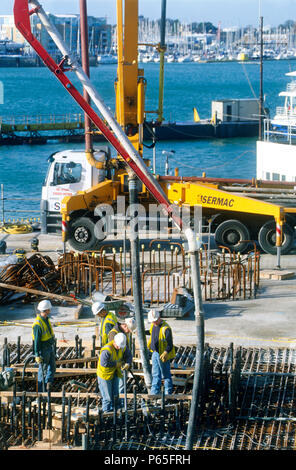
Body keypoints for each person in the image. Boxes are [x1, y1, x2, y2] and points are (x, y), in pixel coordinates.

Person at [97, 332, 132, 412]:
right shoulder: (107, 350)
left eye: (120, 346)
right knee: (107, 397)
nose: (119, 348)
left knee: (115, 395)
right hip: (104, 375)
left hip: (114, 373)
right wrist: (116, 364)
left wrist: (128, 363)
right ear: (114, 341)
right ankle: (106, 412)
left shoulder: (122, 347)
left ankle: (115, 412)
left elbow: (128, 355)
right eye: (118, 346)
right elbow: (104, 363)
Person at [147, 309, 175, 397]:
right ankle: (154, 394)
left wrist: (166, 352)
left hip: (163, 355)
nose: (154, 323)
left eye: (155, 321)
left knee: (166, 375)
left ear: (159, 318)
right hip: (155, 353)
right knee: (155, 375)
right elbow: (151, 332)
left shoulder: (166, 329)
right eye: (152, 321)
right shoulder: (153, 325)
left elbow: (170, 344)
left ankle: (168, 394)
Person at [31, 299, 56, 392]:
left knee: (52, 367)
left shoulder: (46, 319)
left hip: (49, 347)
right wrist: (37, 354)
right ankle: (41, 391)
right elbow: (36, 341)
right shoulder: (38, 324)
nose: (50, 311)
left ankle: (48, 384)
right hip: (43, 349)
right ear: (46, 310)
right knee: (42, 371)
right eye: (49, 309)